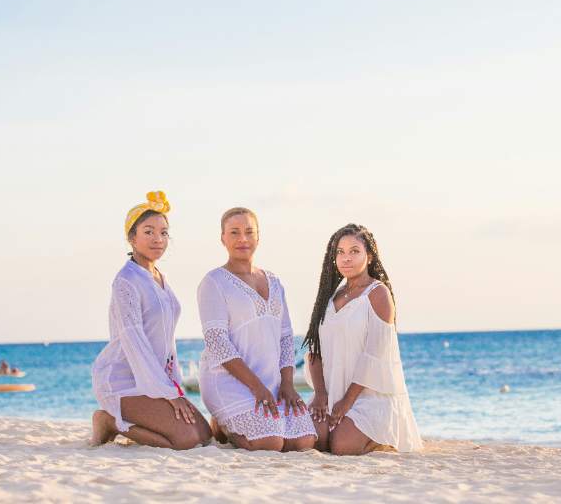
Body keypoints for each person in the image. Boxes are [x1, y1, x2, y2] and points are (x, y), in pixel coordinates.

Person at [91, 191, 212, 449]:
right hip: (123, 381)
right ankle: (109, 422)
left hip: (154, 379)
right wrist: (166, 394)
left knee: (203, 435)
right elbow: (134, 341)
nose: (158, 239)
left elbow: (166, 342)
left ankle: (126, 420)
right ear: (131, 238)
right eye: (148, 232)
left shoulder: (159, 277)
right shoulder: (126, 281)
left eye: (164, 232)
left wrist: (175, 387)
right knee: (186, 440)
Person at [197, 207, 316, 452]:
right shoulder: (214, 282)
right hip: (228, 382)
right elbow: (217, 342)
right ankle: (221, 423)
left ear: (258, 237)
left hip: (272, 383)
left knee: (303, 441)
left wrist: (287, 384)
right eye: (234, 232)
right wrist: (256, 387)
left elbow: (285, 337)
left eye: (249, 232)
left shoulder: (274, 281)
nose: (242, 239)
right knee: (269, 443)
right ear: (223, 238)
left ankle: (233, 423)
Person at [303, 224, 423, 455]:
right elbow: (315, 351)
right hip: (331, 394)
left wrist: (346, 403)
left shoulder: (378, 294)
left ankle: (383, 438)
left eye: (354, 251)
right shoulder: (329, 298)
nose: (346, 258)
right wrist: (320, 395)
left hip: (370, 396)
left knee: (342, 446)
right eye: (340, 252)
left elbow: (373, 357)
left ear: (369, 257)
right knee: (310, 439)